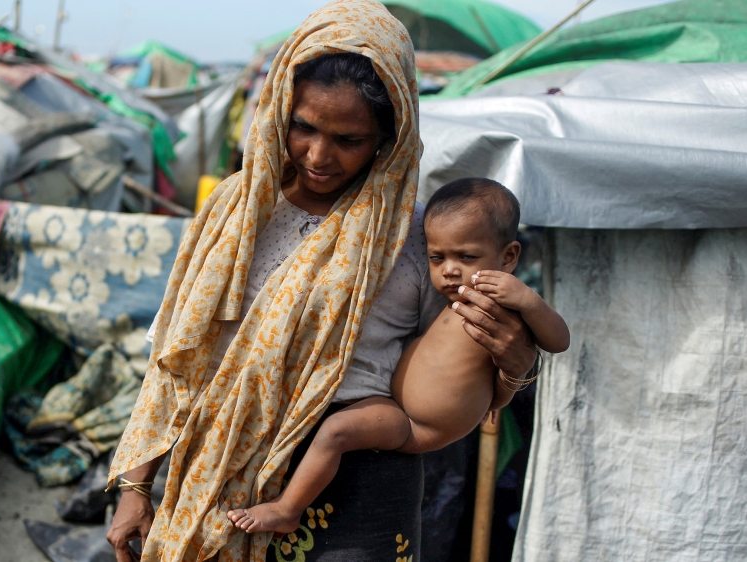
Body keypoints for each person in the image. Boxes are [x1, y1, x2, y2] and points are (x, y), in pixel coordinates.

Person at [106, 1, 538, 560]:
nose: (318, 155)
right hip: (220, 474)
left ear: (390, 136)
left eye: (349, 140)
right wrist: (137, 487)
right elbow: (177, 361)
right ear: (278, 109)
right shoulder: (234, 214)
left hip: (360, 482)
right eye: (303, 127)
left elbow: (464, 363)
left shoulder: (418, 241)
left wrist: (518, 361)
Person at [226, 178, 570, 534]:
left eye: (466, 256)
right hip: (393, 407)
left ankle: (287, 509)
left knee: (336, 431)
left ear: (509, 256)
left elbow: (557, 341)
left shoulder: (506, 305)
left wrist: (528, 300)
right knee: (334, 432)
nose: (450, 269)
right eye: (437, 257)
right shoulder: (451, 299)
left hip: (417, 428)